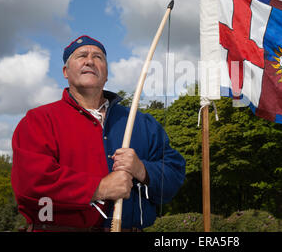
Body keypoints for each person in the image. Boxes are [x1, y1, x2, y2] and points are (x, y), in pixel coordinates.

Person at [11, 35, 186, 232]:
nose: (90, 61)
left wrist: (143, 171)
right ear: (65, 72)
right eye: (81, 56)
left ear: (106, 74)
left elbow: (175, 172)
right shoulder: (39, 120)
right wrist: (98, 188)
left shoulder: (141, 122)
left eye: (98, 57)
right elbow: (31, 183)